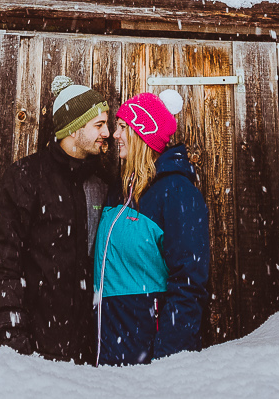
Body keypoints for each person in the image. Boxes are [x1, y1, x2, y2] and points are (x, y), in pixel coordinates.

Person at [0, 75, 112, 363]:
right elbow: (3, 261)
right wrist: (13, 331)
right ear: (72, 129)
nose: (107, 132)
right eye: (99, 125)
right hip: (35, 345)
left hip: (90, 349)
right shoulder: (25, 178)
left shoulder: (101, 184)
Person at [93, 89, 210, 365]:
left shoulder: (176, 192)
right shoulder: (120, 192)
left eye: (123, 127)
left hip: (146, 356)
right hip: (110, 349)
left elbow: (189, 284)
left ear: (142, 133)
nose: (115, 134)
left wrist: (167, 361)